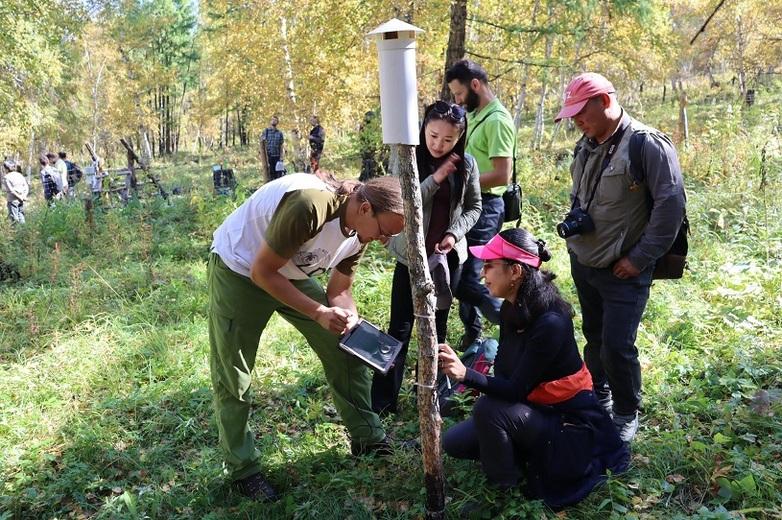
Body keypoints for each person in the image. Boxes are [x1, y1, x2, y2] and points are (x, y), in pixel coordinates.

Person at [208, 172, 406, 502]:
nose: (384, 241)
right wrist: (318, 312)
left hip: (287, 272)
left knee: (345, 347)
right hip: (240, 269)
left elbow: (340, 291)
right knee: (234, 374)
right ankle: (243, 469)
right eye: (385, 231)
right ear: (365, 209)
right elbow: (262, 272)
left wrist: (349, 318)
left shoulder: (359, 234)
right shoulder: (310, 205)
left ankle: (367, 438)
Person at [438, 228, 630, 509]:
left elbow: (515, 390)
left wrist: (466, 374)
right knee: (454, 442)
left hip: (567, 420)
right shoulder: (511, 307)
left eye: (490, 265)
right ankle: (521, 452)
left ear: (515, 271)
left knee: (488, 410)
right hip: (534, 408)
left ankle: (505, 491)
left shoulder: (550, 322)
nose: (482, 273)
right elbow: (505, 371)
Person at [553, 72, 686, 442]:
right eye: (572, 115)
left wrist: (639, 259)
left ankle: (626, 412)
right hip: (585, 262)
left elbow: (670, 209)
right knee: (594, 337)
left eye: (581, 112)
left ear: (605, 101)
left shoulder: (647, 145)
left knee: (617, 346)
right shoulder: (585, 145)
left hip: (624, 269)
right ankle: (600, 394)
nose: (577, 121)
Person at [370, 101, 482, 415]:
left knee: (437, 327)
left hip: (447, 261)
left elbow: (474, 208)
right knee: (399, 328)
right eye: (433, 136)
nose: (439, 145)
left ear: (459, 138)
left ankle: (429, 395)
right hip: (410, 257)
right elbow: (403, 203)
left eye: (448, 139)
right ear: (423, 130)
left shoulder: (467, 164)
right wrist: (437, 178)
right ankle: (382, 404)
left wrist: (454, 234)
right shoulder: (407, 158)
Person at [446, 59, 516, 350]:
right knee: (463, 270)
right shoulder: (474, 116)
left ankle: (516, 325)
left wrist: (461, 183)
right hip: (468, 205)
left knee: (471, 280)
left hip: (486, 208)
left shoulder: (497, 120)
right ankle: (473, 334)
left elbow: (502, 175)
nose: (457, 100)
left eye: (460, 93)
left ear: (475, 85)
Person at [260, 116, 285, 181]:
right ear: (270, 121)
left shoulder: (279, 133)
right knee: (271, 174)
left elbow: (281, 145)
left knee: (278, 174)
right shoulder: (266, 131)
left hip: (277, 157)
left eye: (275, 120)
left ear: (277, 122)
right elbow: (262, 143)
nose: (274, 121)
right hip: (269, 157)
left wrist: (281, 156)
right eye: (272, 120)